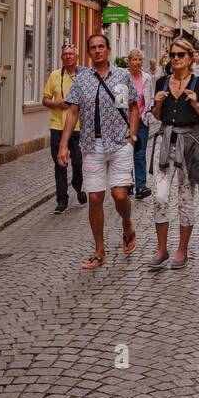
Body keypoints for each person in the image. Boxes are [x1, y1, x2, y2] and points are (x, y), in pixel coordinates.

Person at [58, 33, 140, 269]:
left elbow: (132, 108)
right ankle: (99, 251)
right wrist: (64, 145)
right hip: (91, 146)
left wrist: (132, 136)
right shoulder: (82, 80)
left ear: (109, 50)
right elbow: (73, 112)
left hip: (119, 143)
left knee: (119, 195)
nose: (97, 51)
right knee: (95, 198)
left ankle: (127, 224)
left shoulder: (122, 76)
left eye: (101, 46)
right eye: (92, 47)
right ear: (89, 52)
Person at [147, 44, 199, 269]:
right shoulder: (162, 82)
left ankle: (182, 250)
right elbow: (156, 115)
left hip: (188, 143)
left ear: (190, 58)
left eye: (180, 54)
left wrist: (195, 103)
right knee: (160, 196)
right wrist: (157, 103)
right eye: (173, 54)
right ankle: (161, 249)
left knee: (185, 198)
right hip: (164, 141)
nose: (175, 58)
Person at [42, 44, 84, 213]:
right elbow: (45, 99)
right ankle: (62, 200)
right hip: (58, 126)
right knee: (60, 164)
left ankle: (77, 184)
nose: (67, 57)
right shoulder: (54, 76)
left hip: (79, 127)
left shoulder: (85, 75)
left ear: (77, 57)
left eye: (70, 54)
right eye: (65, 55)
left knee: (79, 163)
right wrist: (57, 103)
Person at [127, 49, 152, 200]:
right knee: (126, 152)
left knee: (140, 153)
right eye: (134, 60)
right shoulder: (123, 77)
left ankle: (140, 186)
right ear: (128, 61)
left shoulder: (146, 78)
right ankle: (127, 182)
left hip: (142, 120)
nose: (136, 63)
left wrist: (147, 114)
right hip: (125, 121)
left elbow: (149, 99)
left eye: (139, 60)